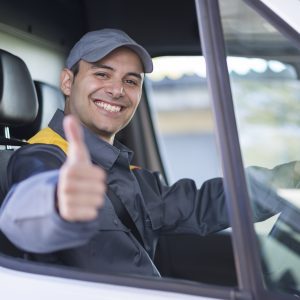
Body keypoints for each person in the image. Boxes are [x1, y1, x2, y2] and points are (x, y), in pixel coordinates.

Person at [0, 28, 286, 276]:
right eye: (102, 73)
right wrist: (57, 202)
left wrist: (285, 179)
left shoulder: (125, 172)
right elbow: (28, 208)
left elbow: (201, 205)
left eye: (131, 81)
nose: (117, 90)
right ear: (67, 81)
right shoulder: (42, 158)